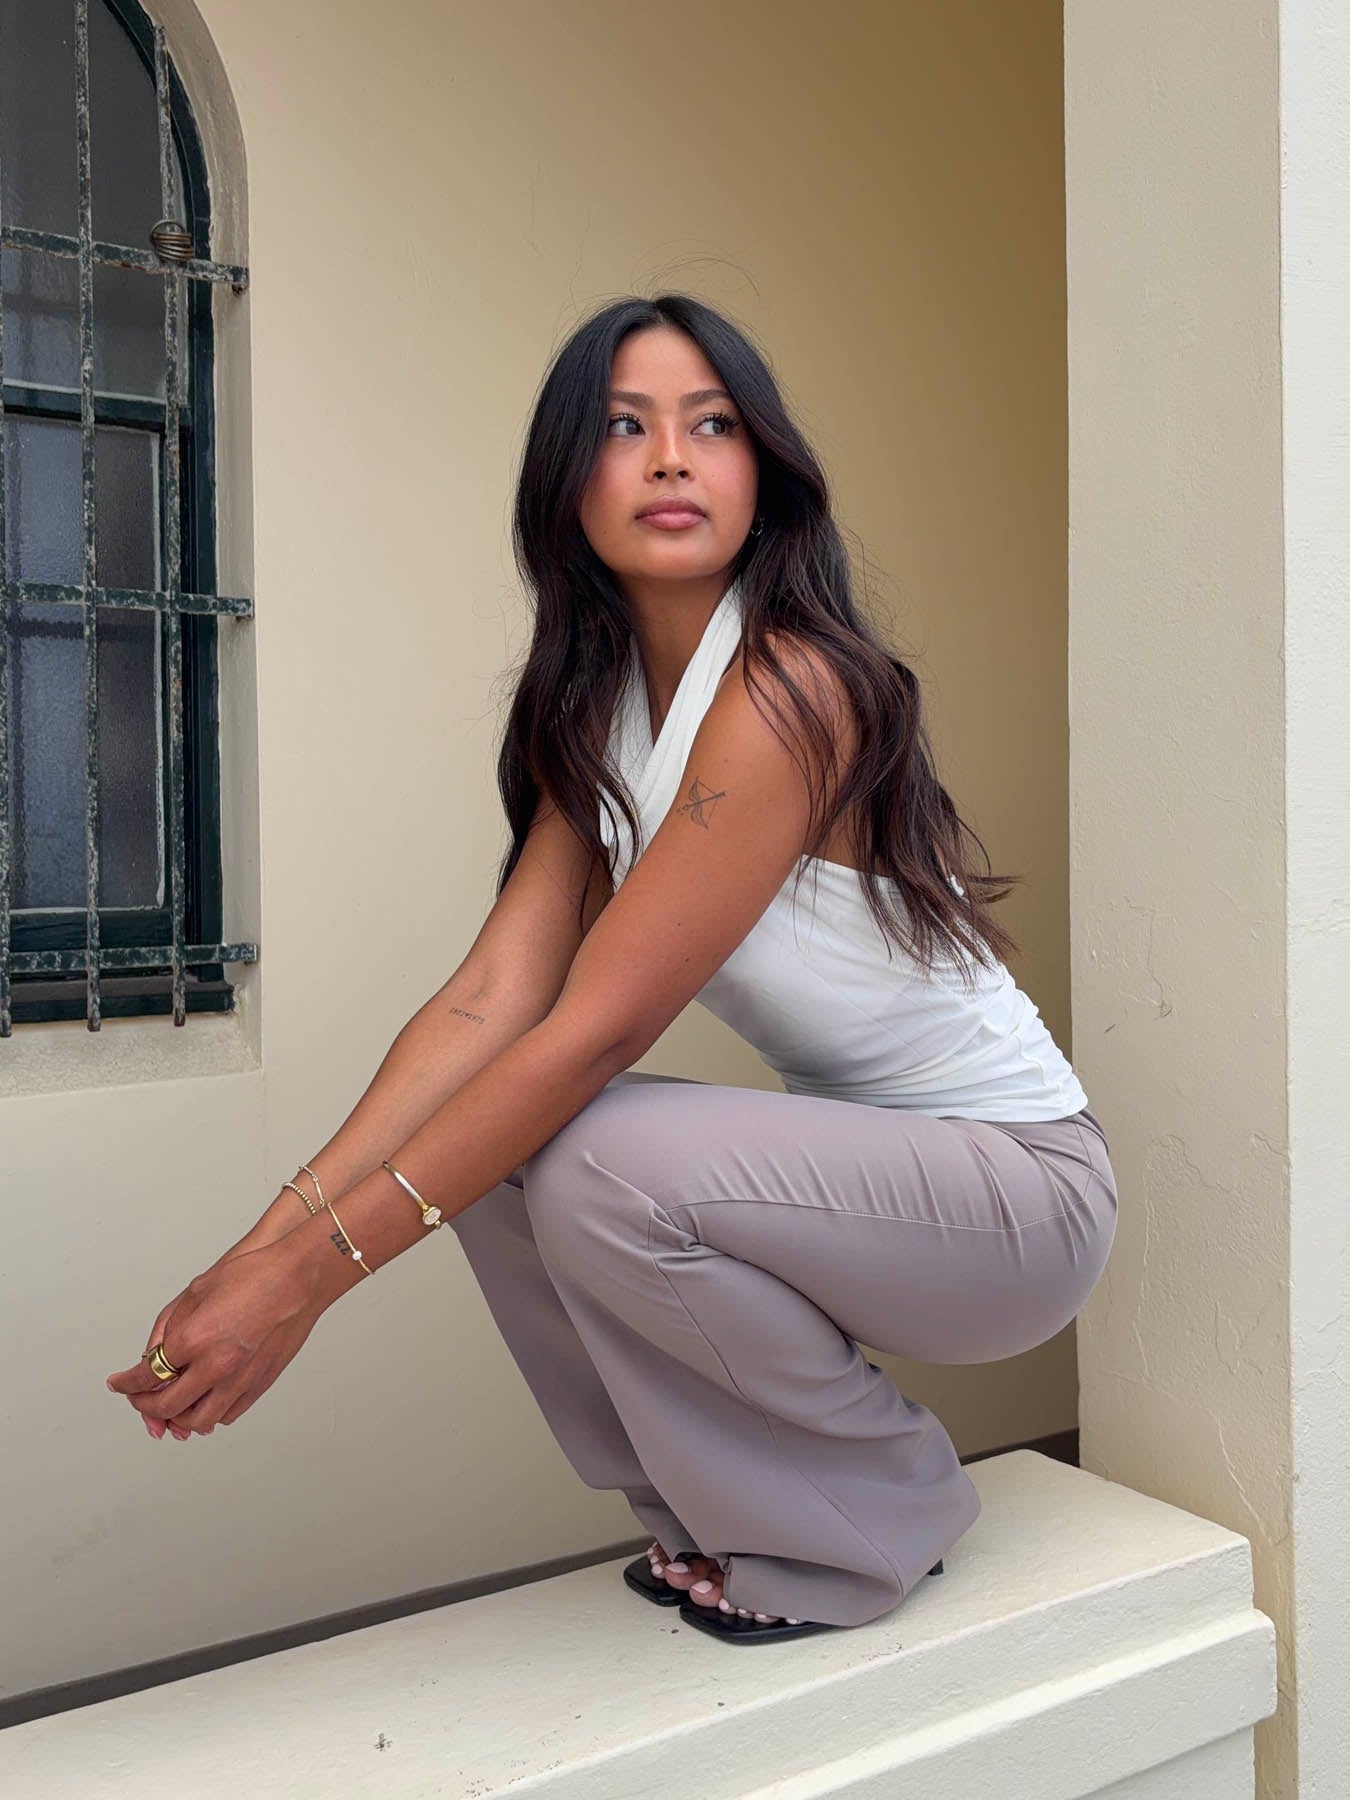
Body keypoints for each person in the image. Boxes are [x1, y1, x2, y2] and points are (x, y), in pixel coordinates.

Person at [107, 292, 1118, 1646]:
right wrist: (256, 1256)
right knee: (487, 1150)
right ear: (567, 480)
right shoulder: (603, 714)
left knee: (579, 1138)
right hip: (876, 1191)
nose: (671, 460)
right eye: (625, 427)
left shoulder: (791, 690)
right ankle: (712, 1514)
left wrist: (305, 1289)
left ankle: (873, 1508)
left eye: (712, 425)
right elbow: (487, 1004)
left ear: (763, 472)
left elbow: (589, 1036)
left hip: (1016, 1201)